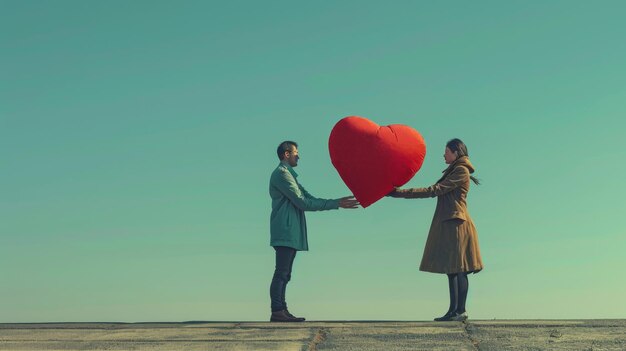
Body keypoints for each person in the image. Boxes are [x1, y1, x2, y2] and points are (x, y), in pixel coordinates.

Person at [387, 138, 483, 322]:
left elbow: (435, 190)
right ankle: (453, 311)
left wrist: (400, 193)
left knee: (459, 268)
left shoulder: (461, 171)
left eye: (446, 151)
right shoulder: (455, 170)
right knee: (451, 269)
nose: (443, 155)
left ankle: (460, 311)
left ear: (456, 152)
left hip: (458, 225)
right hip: (450, 224)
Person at [269, 141, 359, 322]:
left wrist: (337, 202)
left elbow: (308, 198)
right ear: (286, 154)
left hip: (290, 231)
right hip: (285, 230)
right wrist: (336, 204)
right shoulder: (282, 174)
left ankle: (282, 309)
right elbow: (303, 202)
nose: (298, 156)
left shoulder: (290, 176)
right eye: (295, 152)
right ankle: (277, 310)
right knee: (282, 272)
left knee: (285, 273)